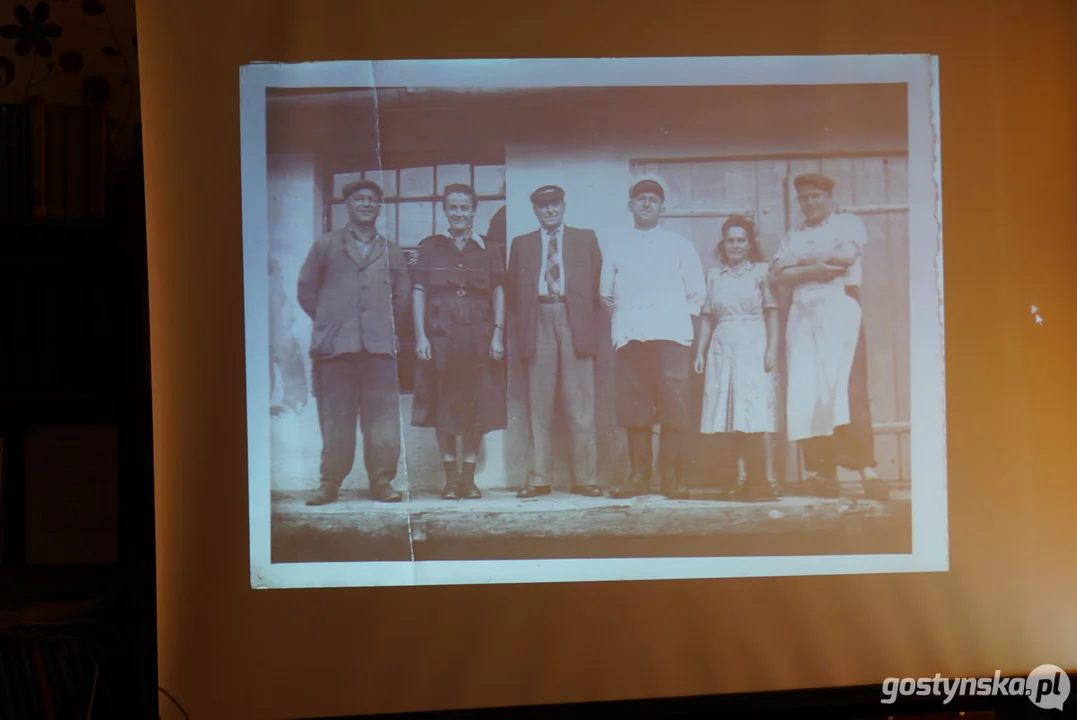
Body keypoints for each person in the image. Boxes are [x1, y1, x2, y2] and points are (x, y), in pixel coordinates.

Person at [296, 179, 411, 506]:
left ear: (379, 208)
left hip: (379, 351)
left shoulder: (391, 250)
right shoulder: (326, 245)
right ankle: (330, 483)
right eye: (359, 199)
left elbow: (401, 296)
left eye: (372, 200)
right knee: (336, 419)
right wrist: (331, 321)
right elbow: (306, 290)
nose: (366, 204)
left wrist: (380, 325)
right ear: (347, 205)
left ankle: (382, 482)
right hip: (336, 349)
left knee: (383, 421)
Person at [769, 172, 882, 499]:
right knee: (807, 392)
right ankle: (822, 473)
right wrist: (819, 267)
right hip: (802, 316)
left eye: (815, 196)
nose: (809, 203)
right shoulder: (792, 236)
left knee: (847, 389)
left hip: (839, 311)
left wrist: (799, 267)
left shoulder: (847, 224)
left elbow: (845, 258)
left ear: (828, 198)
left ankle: (867, 471)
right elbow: (778, 275)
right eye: (804, 198)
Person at [599, 173, 706, 500]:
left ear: (662, 207)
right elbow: (606, 295)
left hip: (672, 340)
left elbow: (696, 294)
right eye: (640, 198)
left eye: (653, 199)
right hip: (632, 340)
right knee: (635, 410)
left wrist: (670, 322)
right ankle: (639, 477)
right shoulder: (617, 246)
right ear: (630, 205)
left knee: (674, 408)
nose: (647, 203)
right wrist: (630, 322)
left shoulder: (680, 246)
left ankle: (671, 478)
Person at [411, 183, 507, 500]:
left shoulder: (488, 249)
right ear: (445, 210)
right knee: (445, 402)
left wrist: (497, 332)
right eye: (453, 207)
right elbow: (419, 291)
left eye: (464, 207)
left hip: (478, 335)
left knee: (476, 401)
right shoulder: (430, 248)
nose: (459, 213)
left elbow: (498, 291)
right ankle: (450, 479)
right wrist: (421, 335)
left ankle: (469, 478)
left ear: (473, 211)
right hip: (442, 335)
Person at [507, 185, 604, 498]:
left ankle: (586, 478)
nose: (550, 210)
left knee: (581, 403)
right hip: (538, 319)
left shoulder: (584, 238)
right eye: (543, 205)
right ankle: (538, 478)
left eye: (555, 204)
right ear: (535, 210)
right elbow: (512, 294)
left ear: (564, 205)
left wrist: (583, 320)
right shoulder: (522, 244)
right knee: (540, 402)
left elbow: (600, 285)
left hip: (574, 320)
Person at [693, 215, 781, 501]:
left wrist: (771, 350)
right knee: (731, 414)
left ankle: (766, 480)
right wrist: (701, 351)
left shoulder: (761, 272)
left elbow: (772, 311)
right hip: (723, 346)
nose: (735, 246)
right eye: (730, 240)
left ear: (750, 243)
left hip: (754, 343)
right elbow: (707, 317)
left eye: (741, 240)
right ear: (723, 243)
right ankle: (741, 478)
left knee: (757, 412)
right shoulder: (714, 275)